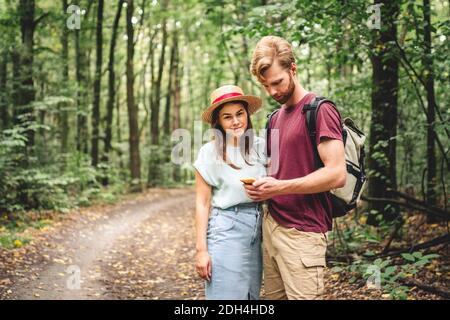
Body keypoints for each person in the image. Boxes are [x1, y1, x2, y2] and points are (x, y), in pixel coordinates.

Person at [244, 36, 346, 300]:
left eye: (277, 82)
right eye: (266, 86)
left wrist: (280, 187)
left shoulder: (319, 110)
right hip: (272, 225)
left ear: (293, 68)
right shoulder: (274, 119)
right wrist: (261, 186)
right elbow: (278, 169)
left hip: (303, 233)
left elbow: (337, 173)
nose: (272, 92)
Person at [194, 84, 267, 300]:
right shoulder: (208, 153)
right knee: (227, 297)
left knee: (249, 297)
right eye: (227, 117)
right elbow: (202, 203)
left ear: (247, 114)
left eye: (240, 114)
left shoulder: (262, 147)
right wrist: (201, 251)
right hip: (226, 227)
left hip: (258, 229)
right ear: (219, 122)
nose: (236, 121)